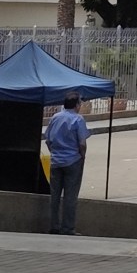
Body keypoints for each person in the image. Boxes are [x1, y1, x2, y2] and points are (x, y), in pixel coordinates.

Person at [44, 96, 89, 235]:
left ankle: (54, 226)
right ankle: (68, 228)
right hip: (73, 161)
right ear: (76, 105)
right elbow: (82, 143)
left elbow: (48, 140)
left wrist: (55, 154)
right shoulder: (78, 119)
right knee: (70, 196)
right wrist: (82, 156)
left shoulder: (55, 117)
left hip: (56, 162)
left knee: (55, 196)